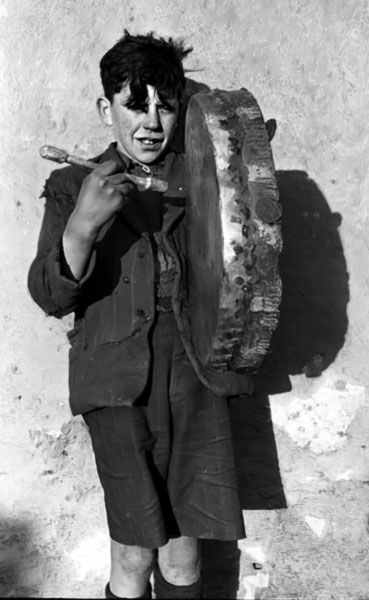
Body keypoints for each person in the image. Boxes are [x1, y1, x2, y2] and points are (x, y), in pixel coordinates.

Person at [28, 31, 254, 599]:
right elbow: (51, 296)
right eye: (135, 104)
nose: (152, 121)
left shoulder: (206, 178)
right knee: (132, 553)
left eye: (166, 105)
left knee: (185, 550)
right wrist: (83, 224)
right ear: (107, 109)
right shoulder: (73, 184)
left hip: (196, 380)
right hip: (118, 386)